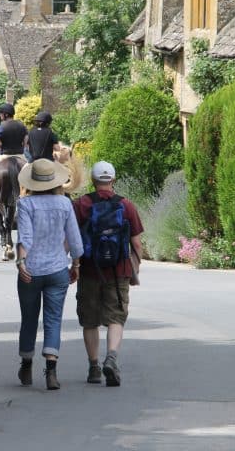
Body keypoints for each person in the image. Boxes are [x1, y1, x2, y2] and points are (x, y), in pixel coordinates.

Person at [73, 161, 144, 387]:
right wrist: (135, 268)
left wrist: (74, 266)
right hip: (118, 271)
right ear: (113, 180)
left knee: (90, 320)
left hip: (90, 269)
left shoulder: (81, 205)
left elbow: (74, 241)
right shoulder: (126, 205)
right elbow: (137, 244)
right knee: (116, 317)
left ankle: (93, 367)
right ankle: (111, 357)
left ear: (93, 181)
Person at [15, 159, 83, 390]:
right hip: (57, 269)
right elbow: (74, 239)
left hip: (32, 270)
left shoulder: (25, 204)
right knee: (53, 320)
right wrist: (75, 264)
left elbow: (25, 236)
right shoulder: (65, 204)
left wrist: (21, 261)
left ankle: (26, 364)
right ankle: (51, 371)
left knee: (29, 318)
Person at [0, 103, 28, 198]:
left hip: (5, 156)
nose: (0, 116)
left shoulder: (2, 126)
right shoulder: (22, 126)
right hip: (20, 155)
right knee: (31, 170)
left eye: (1, 114)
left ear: (6, 114)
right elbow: (26, 143)